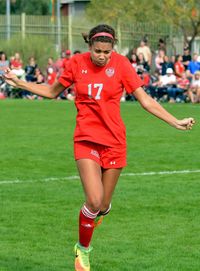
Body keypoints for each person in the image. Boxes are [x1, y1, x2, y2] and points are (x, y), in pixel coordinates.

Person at [3, 24, 195, 271]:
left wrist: (174, 121)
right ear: (89, 46)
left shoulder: (122, 65)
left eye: (107, 51)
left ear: (113, 47)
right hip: (86, 139)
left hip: (115, 142)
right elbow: (52, 91)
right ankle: (82, 251)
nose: (102, 56)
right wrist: (20, 84)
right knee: (93, 202)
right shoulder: (76, 63)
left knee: (103, 206)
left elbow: (145, 100)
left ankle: (98, 213)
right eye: (97, 51)